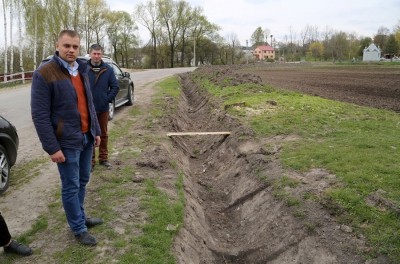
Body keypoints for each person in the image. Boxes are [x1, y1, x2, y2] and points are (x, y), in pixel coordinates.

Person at [31, 30, 103, 246]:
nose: (71, 50)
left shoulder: (82, 68)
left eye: (75, 46)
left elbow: (89, 103)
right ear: (57, 46)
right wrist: (52, 148)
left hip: (86, 137)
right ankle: (78, 228)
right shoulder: (44, 73)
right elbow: (40, 116)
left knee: (83, 181)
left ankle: (80, 217)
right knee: (71, 185)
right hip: (66, 141)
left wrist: (96, 130)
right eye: (67, 46)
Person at [87, 44, 119, 171]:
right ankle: (90, 161)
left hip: (103, 108)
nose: (96, 56)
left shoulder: (108, 69)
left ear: (102, 54)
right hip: (88, 109)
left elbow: (115, 87)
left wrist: (106, 99)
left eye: (98, 54)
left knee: (103, 134)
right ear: (90, 54)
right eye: (94, 53)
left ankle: (103, 158)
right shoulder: (84, 69)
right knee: (90, 135)